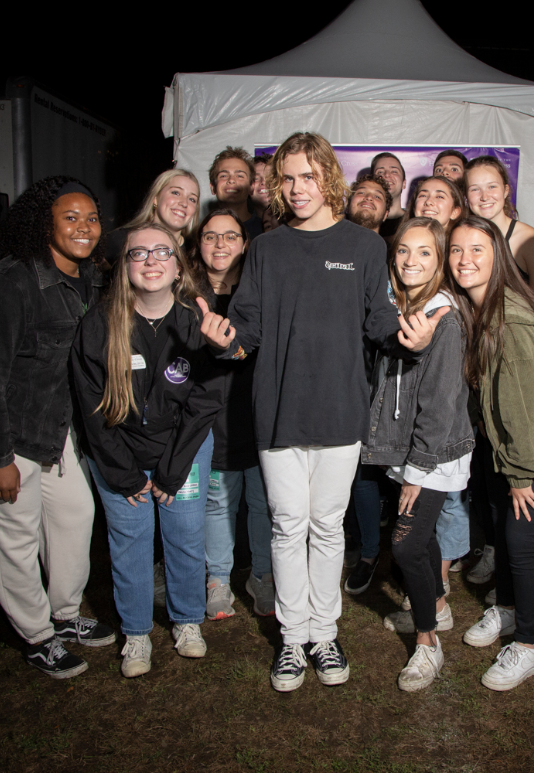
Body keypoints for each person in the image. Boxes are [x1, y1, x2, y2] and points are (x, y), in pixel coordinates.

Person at [196, 132, 447, 693]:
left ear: (329, 178)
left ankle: (324, 632)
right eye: (287, 177)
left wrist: (411, 337)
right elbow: (249, 331)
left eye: (308, 176)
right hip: (278, 411)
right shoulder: (266, 248)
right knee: (287, 525)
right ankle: (292, 639)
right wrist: (224, 339)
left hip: (339, 409)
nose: (297, 187)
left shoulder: (363, 247)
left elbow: (377, 322)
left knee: (327, 527)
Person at [0, 176, 114, 679]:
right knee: (12, 536)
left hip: (52, 426)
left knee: (75, 514)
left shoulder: (86, 277)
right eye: (70, 218)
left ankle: (64, 613)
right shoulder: (11, 281)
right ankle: (37, 635)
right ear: (44, 225)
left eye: (91, 218)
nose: (84, 228)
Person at [72, 223, 222, 678]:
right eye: (139, 254)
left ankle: (187, 620)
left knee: (185, 535)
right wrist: (126, 476)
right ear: (125, 267)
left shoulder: (197, 322)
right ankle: (136, 632)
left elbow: (204, 404)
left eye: (162, 252)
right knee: (130, 541)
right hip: (121, 453)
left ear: (178, 268)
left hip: (184, 449)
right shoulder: (98, 324)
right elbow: (92, 412)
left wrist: (172, 473)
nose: (151, 260)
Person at [446, 214, 534, 692]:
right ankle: (506, 609)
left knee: (521, 543)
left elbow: (521, 408)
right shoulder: (479, 307)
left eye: (477, 249)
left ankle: (528, 643)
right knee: (502, 531)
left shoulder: (509, 320)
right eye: (456, 250)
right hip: (509, 444)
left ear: (498, 255)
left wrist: (520, 475)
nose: (465, 260)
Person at [363, 217, 473, 691]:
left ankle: (428, 644)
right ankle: (439, 611)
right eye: (404, 251)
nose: (411, 261)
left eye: (425, 252)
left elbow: (441, 401)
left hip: (433, 452)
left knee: (405, 545)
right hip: (410, 449)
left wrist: (416, 470)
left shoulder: (443, 316)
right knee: (422, 539)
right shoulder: (405, 306)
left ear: (441, 258)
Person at [192, 209, 276, 618]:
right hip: (212, 421)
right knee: (218, 503)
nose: (220, 244)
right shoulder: (185, 299)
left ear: (245, 244)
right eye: (210, 237)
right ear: (198, 244)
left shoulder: (262, 293)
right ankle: (218, 579)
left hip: (258, 416)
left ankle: (262, 575)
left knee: (262, 502)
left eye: (230, 236)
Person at [410, 174, 472, 590]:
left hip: (458, 390)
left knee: (450, 492)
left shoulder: (460, 262)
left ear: (456, 210)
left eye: (440, 195)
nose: (429, 201)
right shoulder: (409, 259)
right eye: (422, 195)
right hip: (422, 398)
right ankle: (430, 570)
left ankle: (441, 578)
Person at [340, 173, 394, 596]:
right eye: (361, 193)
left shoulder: (394, 252)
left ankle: (384, 548)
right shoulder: (329, 241)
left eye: (378, 197)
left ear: (388, 209)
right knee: (356, 466)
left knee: (380, 466)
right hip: (342, 370)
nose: (368, 201)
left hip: (388, 368)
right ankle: (364, 547)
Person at [464, 156, 534, 301]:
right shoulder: (462, 239)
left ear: (505, 190)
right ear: (466, 196)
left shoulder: (529, 240)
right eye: (475, 189)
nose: (484, 197)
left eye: (492, 187)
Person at [105, 169, 201, 270]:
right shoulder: (121, 241)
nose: (184, 203)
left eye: (192, 199)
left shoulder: (196, 253)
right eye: (176, 193)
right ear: (155, 198)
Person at [209, 146, 264, 239]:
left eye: (239, 176)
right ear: (213, 187)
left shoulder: (265, 231)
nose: (231, 180)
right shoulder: (202, 231)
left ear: (251, 187)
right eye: (223, 176)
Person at [372, 152, 408, 239]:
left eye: (394, 171)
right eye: (380, 172)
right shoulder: (359, 221)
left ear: (404, 183)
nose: (387, 175)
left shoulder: (415, 221)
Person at [252, 152, 280, 233]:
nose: (263, 182)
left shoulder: (296, 224)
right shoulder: (239, 227)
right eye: (256, 178)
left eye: (270, 177)